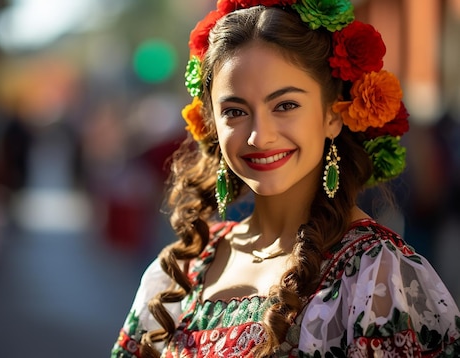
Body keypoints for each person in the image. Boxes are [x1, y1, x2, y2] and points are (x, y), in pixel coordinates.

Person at [111, 1, 460, 357]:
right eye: (235, 111)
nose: (259, 137)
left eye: (285, 105)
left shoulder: (379, 277)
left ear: (332, 115)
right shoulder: (180, 269)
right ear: (213, 125)